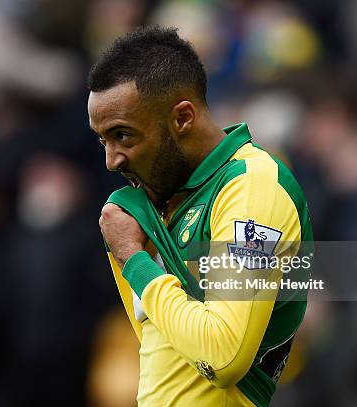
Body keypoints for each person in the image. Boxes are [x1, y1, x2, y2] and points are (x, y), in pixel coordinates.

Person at [87, 26, 313, 406]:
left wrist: (136, 260)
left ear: (183, 117)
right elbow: (176, 351)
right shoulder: (168, 201)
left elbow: (221, 358)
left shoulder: (253, 188)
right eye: (102, 141)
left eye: (123, 135)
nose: (111, 161)